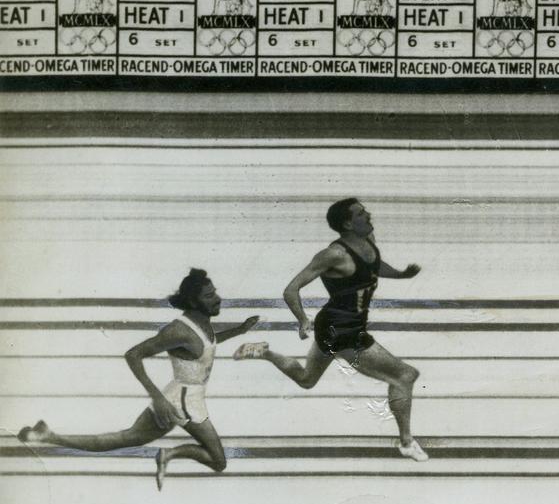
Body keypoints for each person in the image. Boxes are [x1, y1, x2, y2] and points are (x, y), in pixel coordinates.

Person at [18, 269, 260, 489]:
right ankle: (169, 455)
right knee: (218, 462)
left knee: (125, 438)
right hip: (184, 401)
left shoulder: (201, 323)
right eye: (209, 296)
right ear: (193, 301)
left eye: (214, 292)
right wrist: (158, 399)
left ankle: (47, 436)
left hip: (179, 394)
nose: (217, 298)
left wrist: (239, 330)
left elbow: (205, 345)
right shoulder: (178, 331)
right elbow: (133, 355)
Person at [233, 198, 428, 460]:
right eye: (360, 213)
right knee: (404, 376)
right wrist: (302, 319)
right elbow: (291, 289)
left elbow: (374, 265)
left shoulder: (368, 239)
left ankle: (265, 353)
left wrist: (400, 275)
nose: (368, 214)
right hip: (342, 332)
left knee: (306, 380)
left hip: (338, 327)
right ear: (347, 223)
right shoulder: (334, 254)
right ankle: (406, 442)